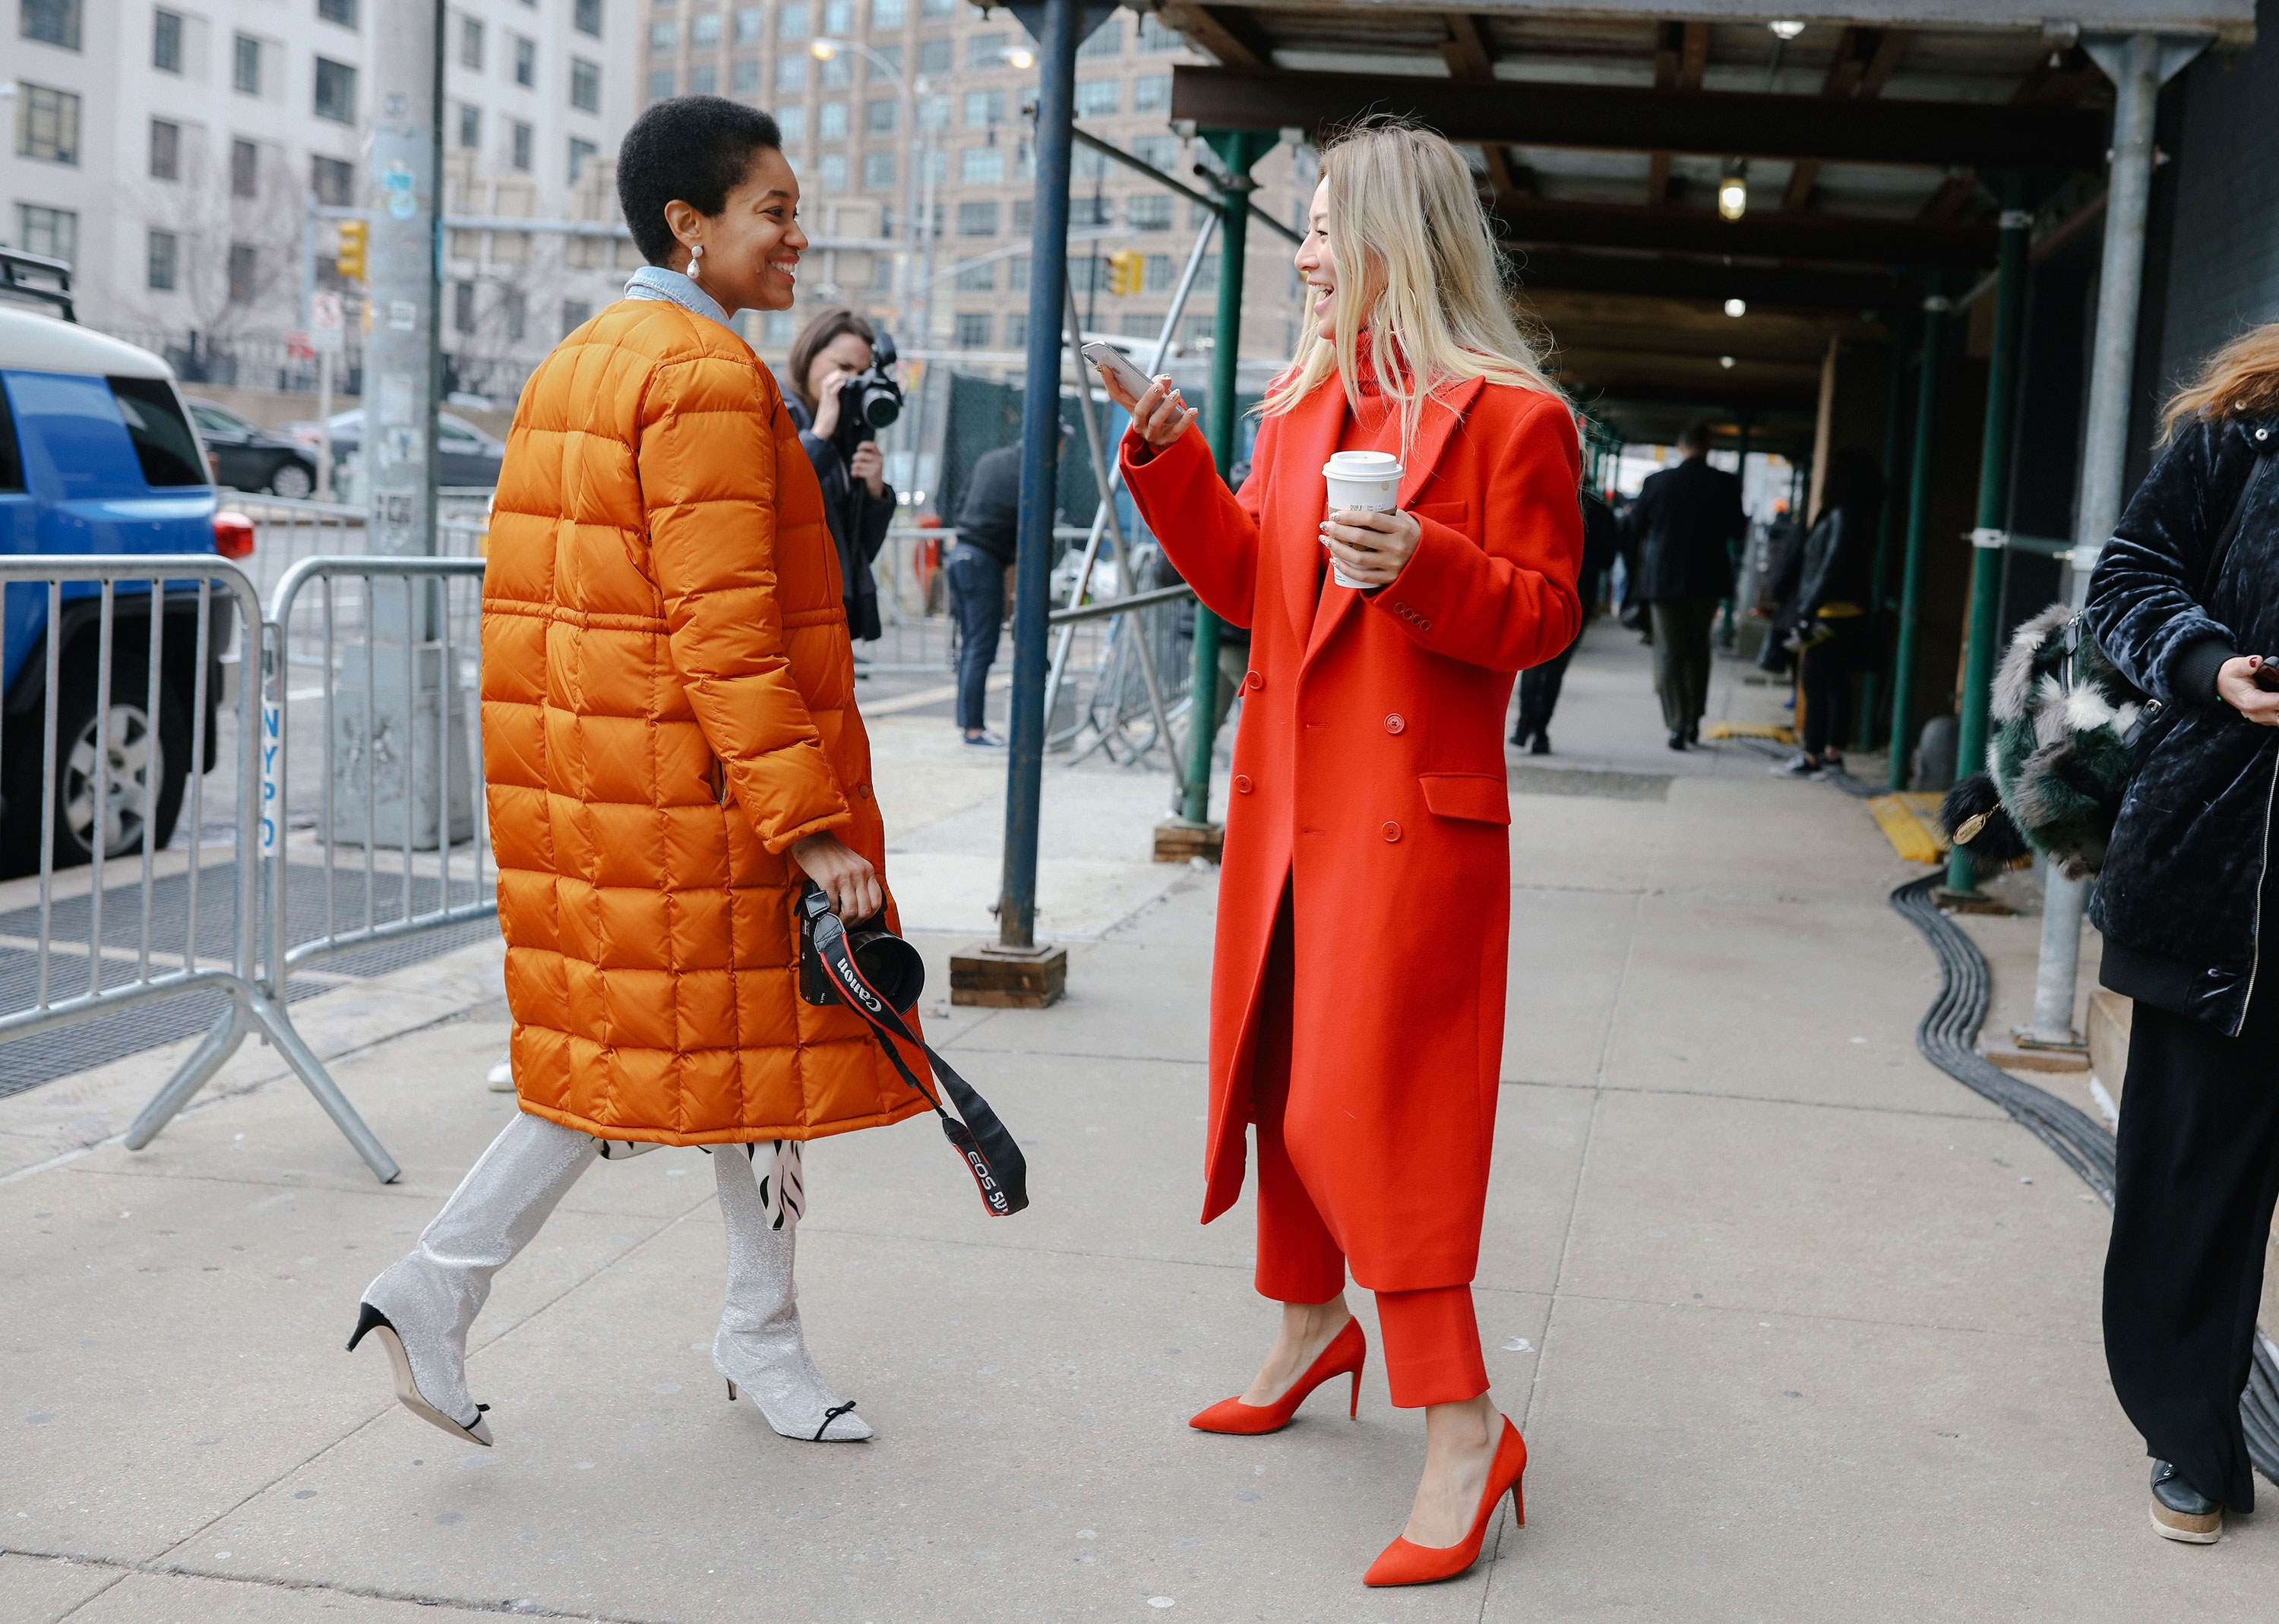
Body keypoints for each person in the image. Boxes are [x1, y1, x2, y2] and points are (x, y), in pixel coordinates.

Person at [349, 96, 929, 1452]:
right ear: (692, 222)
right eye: (774, 210)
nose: (799, 235)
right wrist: (811, 822)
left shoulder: (580, 364)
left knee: (677, 1063)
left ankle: (494, 1293)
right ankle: (500, 1291)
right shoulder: (709, 376)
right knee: (711, 1061)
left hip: (610, 801)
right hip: (702, 806)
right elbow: (725, 629)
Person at [1097, 120, 1582, 1588]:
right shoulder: (1302, 409)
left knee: (1383, 1115)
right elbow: (1256, 583)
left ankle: (1463, 1416)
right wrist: (1177, 459)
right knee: (1280, 1075)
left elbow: (1548, 615)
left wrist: (1424, 567)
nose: (1303, 253)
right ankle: (1313, 1323)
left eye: (1322, 226)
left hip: (1411, 829)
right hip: (1292, 808)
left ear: (1394, 241)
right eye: (1301, 226)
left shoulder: (1514, 418)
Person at [2080, 324, 2279, 1543]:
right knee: (2191, 1176)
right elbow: (2128, 582)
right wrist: (2215, 666)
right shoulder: (2240, 430)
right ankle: (2193, 1436)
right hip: (2223, 871)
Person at [1624, 422, 1744, 749]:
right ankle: (1694, 718)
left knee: (1669, 652)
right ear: (1708, 446)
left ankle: (1676, 724)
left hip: (1664, 579)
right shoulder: (1726, 484)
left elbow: (1635, 528)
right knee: (1698, 649)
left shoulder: (1657, 482)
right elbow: (1737, 530)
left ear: (1679, 446)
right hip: (1708, 579)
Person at [784, 307, 897, 644]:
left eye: (861, 373)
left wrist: (875, 494)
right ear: (809, 355)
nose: (851, 381)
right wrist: (818, 436)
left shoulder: (850, 435)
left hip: (833, 607)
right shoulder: (773, 410)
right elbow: (778, 494)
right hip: (789, 601)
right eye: (843, 367)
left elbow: (858, 546)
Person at [1769, 449, 1884, 777]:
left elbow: (1829, 567)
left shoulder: (1841, 515)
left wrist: (1806, 611)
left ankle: (1812, 756)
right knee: (1836, 683)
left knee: (1815, 682)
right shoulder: (1863, 515)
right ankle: (1831, 754)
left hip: (1828, 612)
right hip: (1849, 612)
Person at [1511, 482, 1618, 754]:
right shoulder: (1600, 512)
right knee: (1556, 669)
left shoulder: (1545, 498)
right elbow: (1607, 560)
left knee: (1533, 663)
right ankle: (1541, 732)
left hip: (1539, 587)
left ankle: (1524, 727)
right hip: (1580, 595)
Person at [949, 441, 1019, 745]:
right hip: (983, 560)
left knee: (972, 646)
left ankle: (969, 725)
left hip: (962, 553)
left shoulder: (991, 457)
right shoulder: (1029, 469)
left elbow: (960, 503)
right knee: (980, 647)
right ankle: (973, 730)